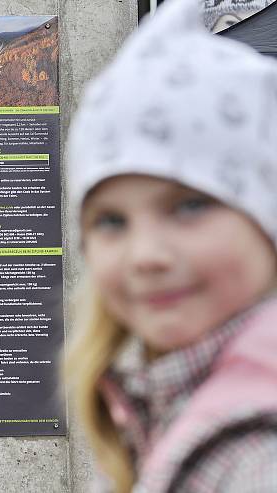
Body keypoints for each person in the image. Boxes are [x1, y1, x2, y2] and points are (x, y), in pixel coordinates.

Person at [63, 0, 277, 491]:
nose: (146, 255)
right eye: (112, 220)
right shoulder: (149, 414)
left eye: (189, 207)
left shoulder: (258, 457)